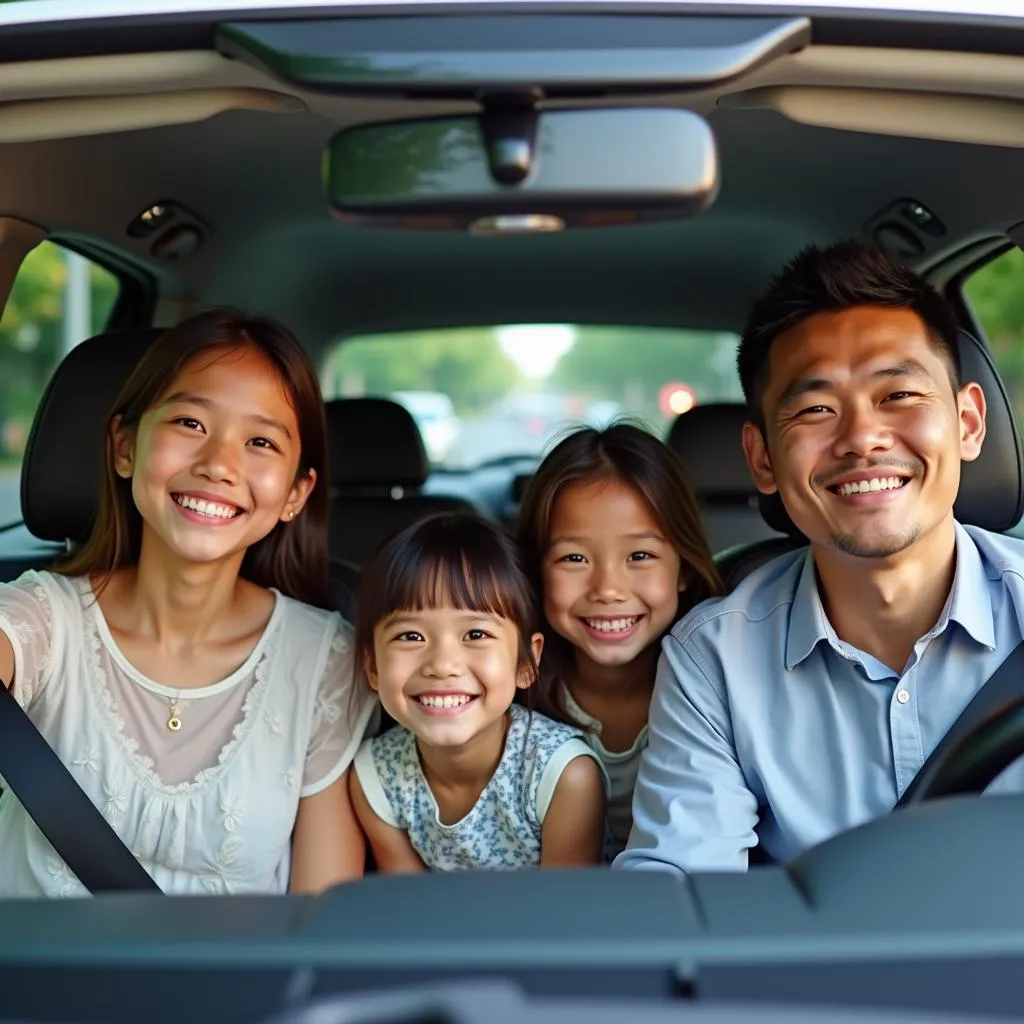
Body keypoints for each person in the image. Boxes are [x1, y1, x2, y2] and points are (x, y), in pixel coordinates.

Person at [615, 239, 1024, 874]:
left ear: (969, 423)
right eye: (815, 409)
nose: (862, 437)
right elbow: (681, 897)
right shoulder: (714, 661)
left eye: (899, 396)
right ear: (762, 460)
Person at [0, 310, 376, 897]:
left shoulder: (325, 661)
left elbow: (320, 923)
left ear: (295, 495)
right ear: (125, 447)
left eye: (259, 441)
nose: (219, 464)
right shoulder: (40, 623)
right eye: (189, 422)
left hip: (231, 992)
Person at [349, 511, 606, 872]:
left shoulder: (561, 775)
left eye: (475, 634)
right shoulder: (376, 778)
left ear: (526, 663)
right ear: (372, 666)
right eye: (410, 636)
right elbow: (410, 913)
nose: (442, 664)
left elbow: (564, 919)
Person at [517, 423, 722, 860]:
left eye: (639, 556)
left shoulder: (717, 694)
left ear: (683, 568)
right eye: (574, 558)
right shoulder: (507, 693)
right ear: (536, 571)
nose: (608, 588)